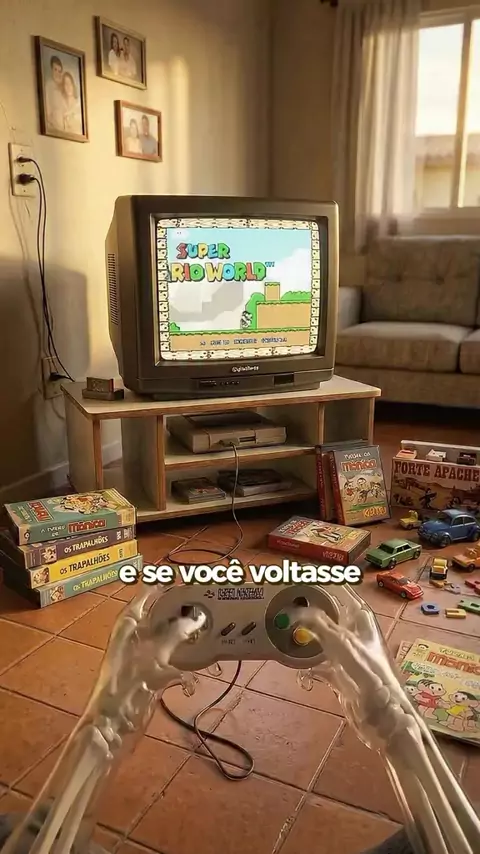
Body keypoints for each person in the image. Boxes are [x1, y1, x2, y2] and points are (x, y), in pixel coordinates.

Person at [45, 54, 64, 131]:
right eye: (55, 70)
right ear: (51, 70)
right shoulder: (48, 85)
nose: (57, 73)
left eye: (59, 71)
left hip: (63, 124)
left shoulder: (63, 86)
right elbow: (47, 109)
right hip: (54, 124)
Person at [60, 71, 82, 135]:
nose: (68, 87)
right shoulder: (62, 105)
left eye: (70, 83)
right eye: (66, 84)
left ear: (73, 85)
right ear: (63, 86)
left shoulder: (79, 105)